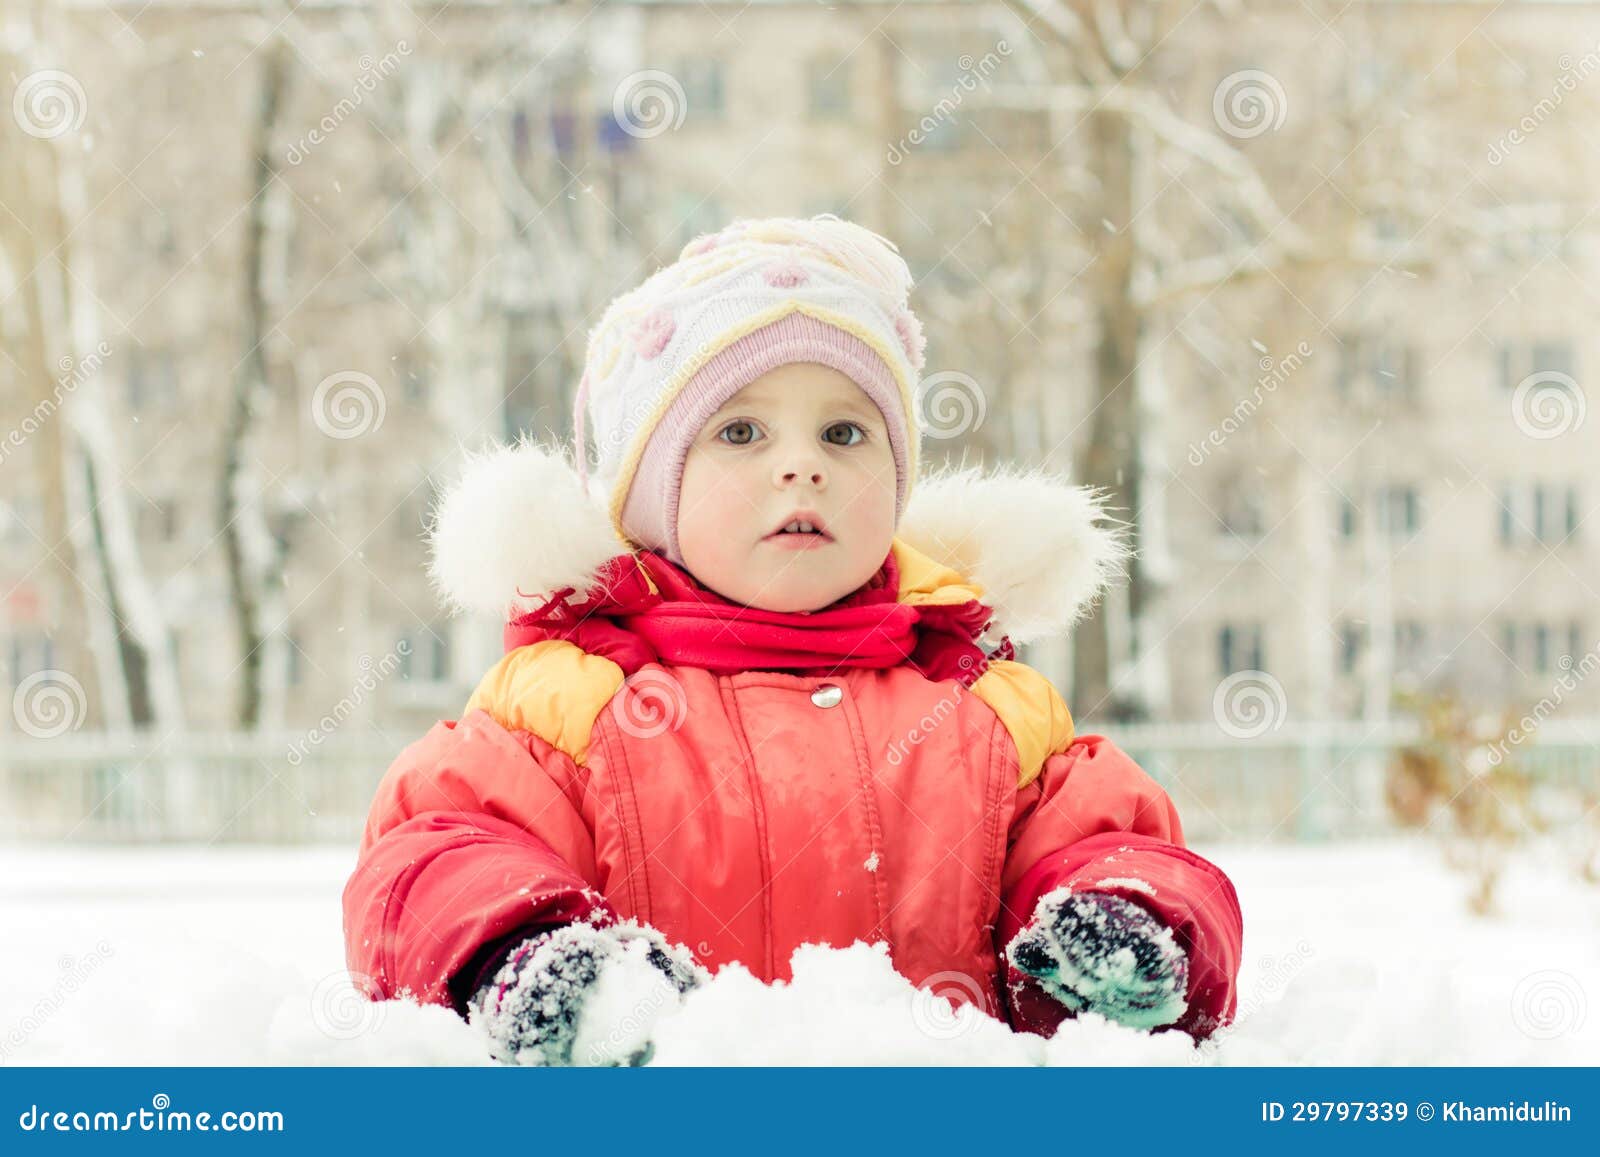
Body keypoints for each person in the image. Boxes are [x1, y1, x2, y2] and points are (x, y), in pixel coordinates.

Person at [341, 215, 1243, 1066]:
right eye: (740, 430)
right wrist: (525, 950)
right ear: (654, 496)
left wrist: (1125, 921)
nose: (802, 463)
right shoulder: (571, 705)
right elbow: (437, 852)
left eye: (845, 431)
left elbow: (1114, 841)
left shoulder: (989, 712)